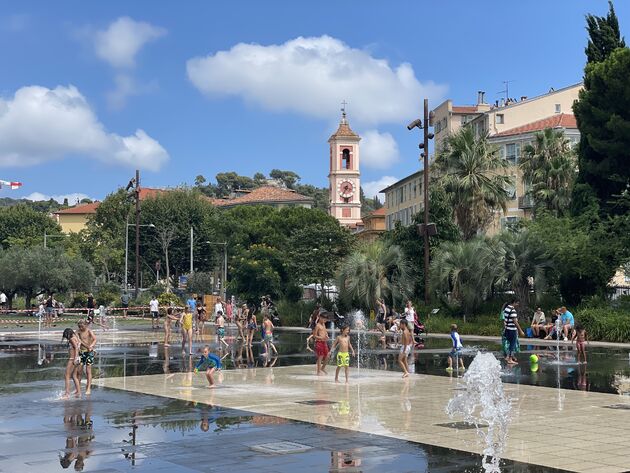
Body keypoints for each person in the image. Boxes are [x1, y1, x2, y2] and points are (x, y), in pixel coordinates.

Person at [77, 320, 97, 395]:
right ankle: (78, 388)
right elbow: (79, 340)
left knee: (88, 370)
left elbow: (95, 339)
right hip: (81, 352)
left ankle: (88, 388)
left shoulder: (89, 331)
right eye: (79, 327)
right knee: (79, 371)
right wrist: (87, 346)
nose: (81, 328)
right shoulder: (78, 332)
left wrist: (91, 346)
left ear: (86, 325)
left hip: (89, 352)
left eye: (82, 327)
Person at [503, 300, 525, 365]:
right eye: (517, 303)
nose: (517, 305)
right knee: (512, 344)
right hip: (512, 329)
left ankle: (508, 357)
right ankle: (510, 359)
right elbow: (515, 321)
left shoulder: (506, 308)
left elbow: (504, 319)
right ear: (514, 302)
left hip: (507, 329)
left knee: (510, 344)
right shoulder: (512, 310)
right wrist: (520, 331)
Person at [61, 328, 81, 398]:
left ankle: (67, 393)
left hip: (72, 359)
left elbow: (76, 348)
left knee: (67, 375)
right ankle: (78, 392)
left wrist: (75, 358)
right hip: (77, 358)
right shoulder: (76, 337)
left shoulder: (72, 339)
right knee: (74, 376)